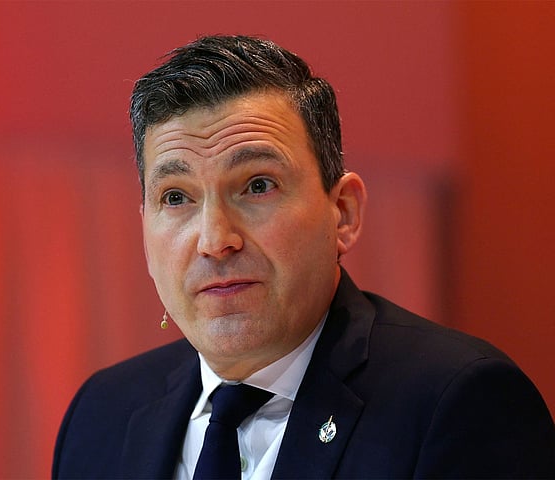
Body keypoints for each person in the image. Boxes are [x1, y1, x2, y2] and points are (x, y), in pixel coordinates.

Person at [52, 35, 555, 479]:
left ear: (343, 212)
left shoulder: (458, 403)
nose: (215, 240)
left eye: (257, 185)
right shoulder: (102, 415)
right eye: (176, 197)